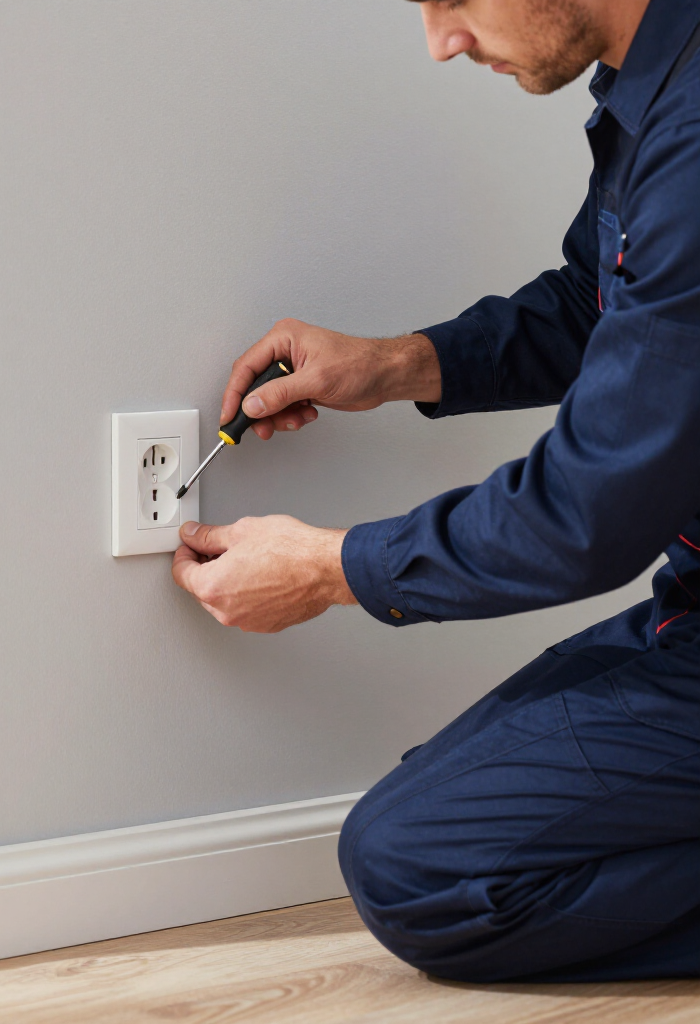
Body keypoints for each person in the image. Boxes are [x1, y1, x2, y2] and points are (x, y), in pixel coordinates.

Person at [171, 0, 700, 983]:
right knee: (430, 814)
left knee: (414, 867)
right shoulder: (653, 90)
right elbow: (595, 301)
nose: (441, 41)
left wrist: (329, 569)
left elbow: (584, 516)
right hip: (687, 616)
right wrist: (391, 365)